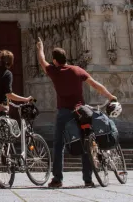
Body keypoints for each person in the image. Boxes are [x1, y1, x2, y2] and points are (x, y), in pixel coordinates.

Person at [36, 38, 117, 189]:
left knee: (59, 144)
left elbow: (42, 61)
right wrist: (110, 96)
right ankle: (88, 179)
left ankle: (57, 179)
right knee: (86, 141)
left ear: (55, 60)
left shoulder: (54, 71)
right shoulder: (77, 70)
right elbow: (95, 84)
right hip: (81, 112)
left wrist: (40, 47)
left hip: (64, 114)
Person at [0, 50, 32, 188]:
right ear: (11, 62)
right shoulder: (7, 73)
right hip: (1, 109)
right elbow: (9, 94)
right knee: (1, 142)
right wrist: (25, 99)